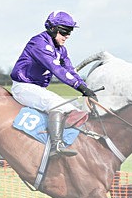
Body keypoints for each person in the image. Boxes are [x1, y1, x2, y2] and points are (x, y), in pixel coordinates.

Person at [10, 11, 97, 157]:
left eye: (69, 32)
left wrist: (86, 88)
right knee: (56, 105)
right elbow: (57, 69)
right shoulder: (38, 43)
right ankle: (55, 146)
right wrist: (80, 87)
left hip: (38, 89)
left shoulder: (61, 50)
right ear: (52, 28)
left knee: (73, 109)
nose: (67, 36)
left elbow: (70, 70)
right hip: (23, 87)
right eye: (64, 32)